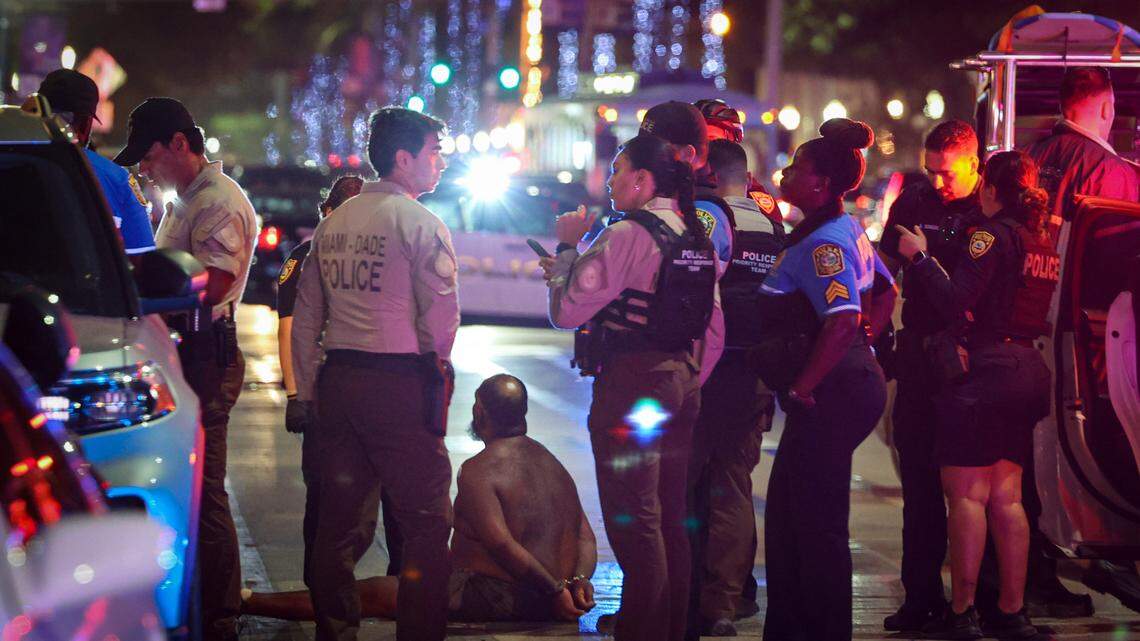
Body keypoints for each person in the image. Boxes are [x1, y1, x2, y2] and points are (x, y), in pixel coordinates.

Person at [290, 106, 458, 641]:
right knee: (428, 521)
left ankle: (335, 631)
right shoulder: (420, 224)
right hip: (399, 383)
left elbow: (306, 319)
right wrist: (434, 372)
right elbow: (440, 319)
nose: (442, 164)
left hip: (339, 380)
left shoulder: (333, 224)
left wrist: (310, 388)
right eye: (435, 153)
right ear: (404, 159)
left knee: (335, 526)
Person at [541, 133, 717, 641]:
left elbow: (567, 310)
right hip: (682, 383)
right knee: (669, 518)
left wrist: (569, 249)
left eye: (618, 171)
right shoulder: (691, 232)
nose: (611, 180)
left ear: (642, 179)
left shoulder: (626, 235)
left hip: (634, 385)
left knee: (634, 521)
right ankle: (672, 630)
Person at [241, 374, 598, 623]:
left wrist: (553, 592)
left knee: (377, 594)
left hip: (510, 595)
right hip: (556, 594)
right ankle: (249, 601)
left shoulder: (479, 470)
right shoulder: (555, 464)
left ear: (479, 412)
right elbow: (585, 535)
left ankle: (248, 602)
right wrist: (579, 581)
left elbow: (501, 543)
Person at [894, 150, 1059, 639]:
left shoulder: (991, 234)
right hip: (1028, 368)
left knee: (967, 495)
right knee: (1008, 498)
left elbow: (954, 300)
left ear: (989, 188)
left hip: (987, 369)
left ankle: (962, 613)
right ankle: (1011, 611)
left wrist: (921, 258)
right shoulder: (1041, 237)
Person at [113, 97, 257, 640]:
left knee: (205, 489)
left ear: (179, 144)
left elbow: (213, 284)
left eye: (149, 157)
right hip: (186, 351)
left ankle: (219, 614)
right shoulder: (185, 199)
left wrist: (147, 285)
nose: (145, 169)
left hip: (206, 353)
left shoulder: (216, 201)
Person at [758, 118, 894, 641]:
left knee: (815, 524)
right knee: (792, 515)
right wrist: (865, 344)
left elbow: (842, 319)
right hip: (842, 381)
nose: (786, 171)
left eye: (796, 166)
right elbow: (884, 293)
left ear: (818, 184)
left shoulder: (825, 244)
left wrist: (802, 387)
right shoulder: (838, 229)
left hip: (831, 391)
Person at [1027, 67, 1140, 615]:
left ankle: (1034, 577)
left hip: (1025, 325)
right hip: (1085, 333)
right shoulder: (1110, 171)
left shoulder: (1032, 157)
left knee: (1032, 462)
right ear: (1107, 107)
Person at [276, 174, 407, 600]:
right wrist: (297, 394)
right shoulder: (309, 254)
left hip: (374, 388)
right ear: (327, 213)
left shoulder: (388, 246)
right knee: (326, 497)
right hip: (331, 390)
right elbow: (292, 326)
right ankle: (323, 594)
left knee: (395, 500)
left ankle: (399, 589)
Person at [876, 120, 985, 631]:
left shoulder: (988, 210)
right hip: (920, 354)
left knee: (970, 489)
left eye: (947, 172)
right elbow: (882, 268)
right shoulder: (915, 201)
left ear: (973, 162)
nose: (938, 181)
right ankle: (920, 597)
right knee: (917, 486)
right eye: (931, 170)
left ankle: (975, 600)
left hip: (969, 362)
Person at [686, 139, 781, 636]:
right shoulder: (770, 222)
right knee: (734, 487)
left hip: (711, 369)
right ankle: (724, 602)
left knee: (682, 483)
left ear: (709, 174)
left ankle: (678, 598)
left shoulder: (707, 214)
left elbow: (694, 281)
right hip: (756, 372)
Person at [35, 69, 155, 259]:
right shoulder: (117, 180)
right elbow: (141, 260)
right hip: (91, 288)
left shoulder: (11, 161)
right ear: (85, 124)